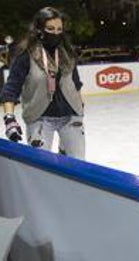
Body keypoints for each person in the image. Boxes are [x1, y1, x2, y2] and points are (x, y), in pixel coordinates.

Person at [1, 7, 85, 159]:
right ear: (39, 30)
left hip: (70, 116)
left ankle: (64, 147)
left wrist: (80, 109)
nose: (55, 33)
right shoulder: (26, 56)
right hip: (39, 118)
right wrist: (9, 119)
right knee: (42, 165)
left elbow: (76, 83)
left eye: (59, 29)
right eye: (50, 29)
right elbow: (10, 90)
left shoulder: (67, 53)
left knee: (78, 165)